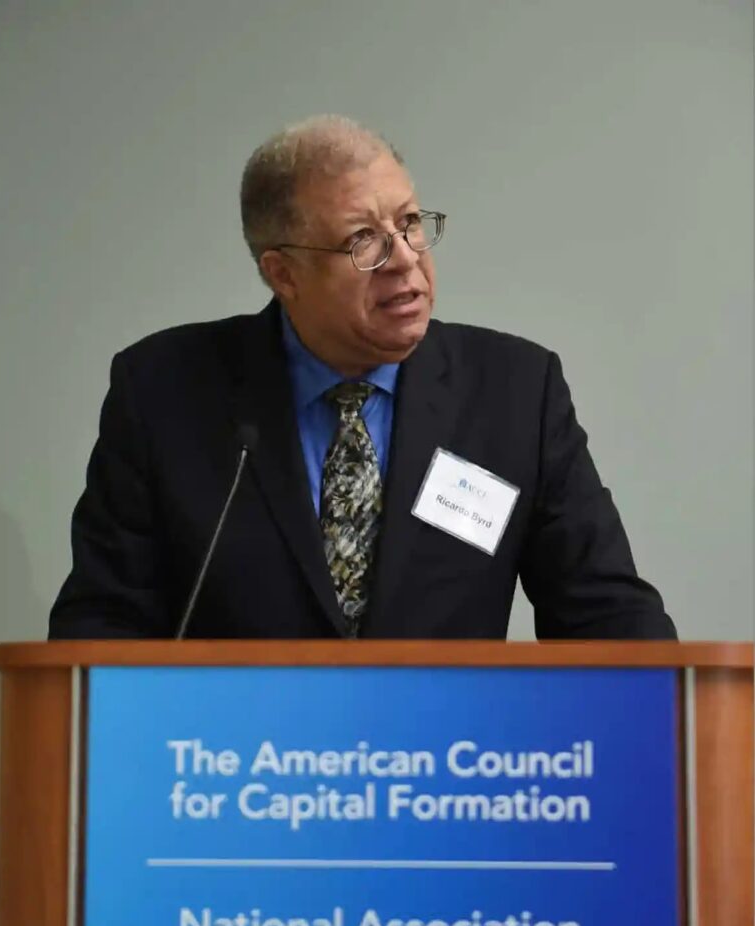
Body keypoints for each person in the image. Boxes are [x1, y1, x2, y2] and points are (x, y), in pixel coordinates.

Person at [49, 115, 675, 641]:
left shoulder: (515, 393)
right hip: (239, 772)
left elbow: (608, 615)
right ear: (283, 274)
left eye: (408, 223)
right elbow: (102, 624)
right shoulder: (165, 392)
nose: (404, 258)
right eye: (363, 240)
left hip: (447, 773)